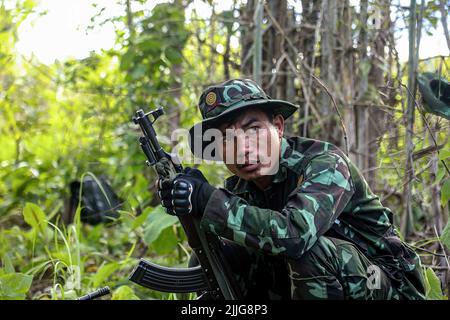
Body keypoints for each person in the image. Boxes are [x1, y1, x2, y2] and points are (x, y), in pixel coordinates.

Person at [157, 78, 426, 300]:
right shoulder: (239, 187)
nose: (244, 148)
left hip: (388, 286)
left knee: (312, 252)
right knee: (217, 253)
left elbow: (296, 235)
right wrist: (188, 203)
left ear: (278, 127)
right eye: (227, 138)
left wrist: (207, 199)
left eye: (253, 130)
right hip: (309, 287)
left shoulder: (325, 164)